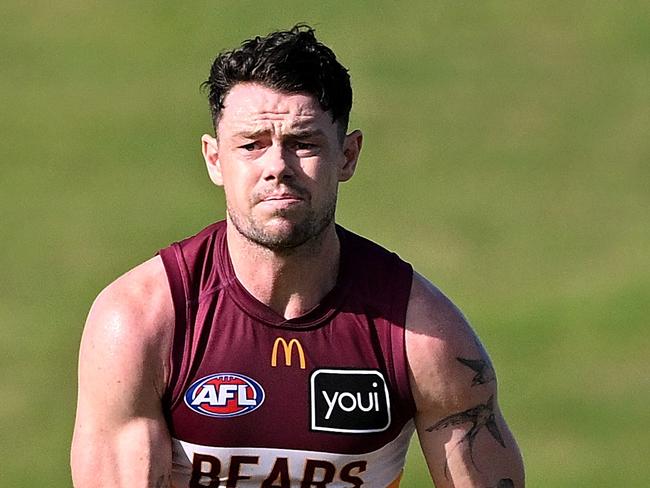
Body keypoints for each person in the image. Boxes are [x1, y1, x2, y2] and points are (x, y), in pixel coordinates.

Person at [71, 24, 524, 488]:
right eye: (252, 145)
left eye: (303, 143)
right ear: (213, 159)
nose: (277, 169)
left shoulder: (426, 338)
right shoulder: (140, 323)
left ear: (348, 155)